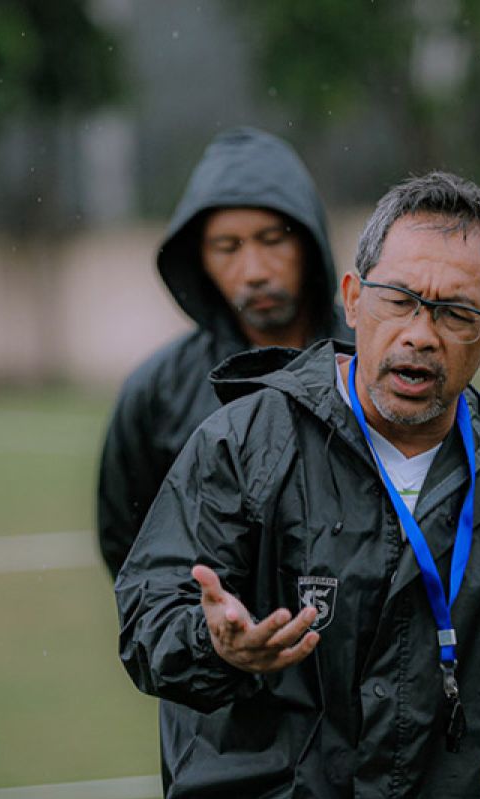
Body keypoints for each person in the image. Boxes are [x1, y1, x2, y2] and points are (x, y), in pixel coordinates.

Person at [115, 172, 480, 797]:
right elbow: (146, 621)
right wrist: (215, 647)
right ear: (353, 299)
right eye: (398, 299)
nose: (419, 334)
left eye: (456, 313)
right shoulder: (242, 444)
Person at [97, 126, 350, 580]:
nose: (253, 270)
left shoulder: (372, 361)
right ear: (200, 260)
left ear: (310, 242)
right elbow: (132, 554)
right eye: (227, 247)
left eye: (272, 240)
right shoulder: (157, 392)